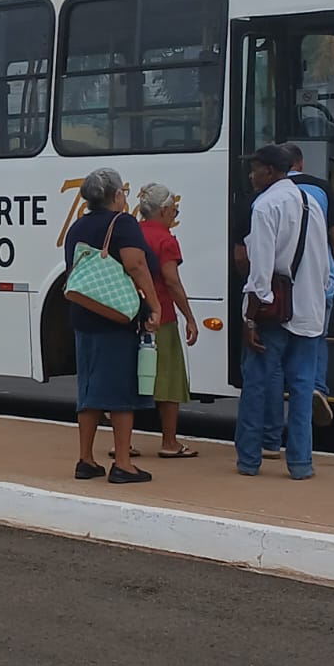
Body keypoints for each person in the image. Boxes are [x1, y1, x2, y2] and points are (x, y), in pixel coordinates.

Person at [233, 144, 329, 480]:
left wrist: (250, 316)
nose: (251, 174)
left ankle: (249, 460)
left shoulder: (265, 206)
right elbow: (322, 261)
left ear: (271, 172)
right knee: (302, 388)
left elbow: (260, 268)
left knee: (257, 382)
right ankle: (301, 464)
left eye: (255, 168)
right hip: (309, 309)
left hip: (273, 310)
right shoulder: (312, 203)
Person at [63, 167, 161, 484]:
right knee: (121, 390)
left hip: (83, 315)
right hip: (117, 317)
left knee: (89, 389)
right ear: (118, 195)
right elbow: (134, 263)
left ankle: (85, 459)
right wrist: (155, 305)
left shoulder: (77, 227)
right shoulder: (123, 223)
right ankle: (122, 463)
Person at [282, 143, 334, 428]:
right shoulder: (321, 188)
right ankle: (315, 388)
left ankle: (281, 399)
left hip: (281, 284)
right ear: (301, 163)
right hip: (320, 281)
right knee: (316, 335)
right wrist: (332, 266)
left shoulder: (267, 194)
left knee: (279, 339)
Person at [134, 182, 200, 459]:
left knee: (131, 377)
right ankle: (169, 442)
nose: (175, 212)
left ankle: (122, 441)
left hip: (131, 315)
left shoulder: (132, 233)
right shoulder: (166, 240)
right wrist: (190, 317)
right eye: (174, 208)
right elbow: (171, 282)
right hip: (162, 317)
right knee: (169, 380)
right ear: (162, 210)